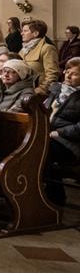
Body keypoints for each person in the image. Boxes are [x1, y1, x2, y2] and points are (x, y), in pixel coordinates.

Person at [46, 57, 80, 204]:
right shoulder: (57, 90)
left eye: (74, 74)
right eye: (67, 71)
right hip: (48, 136)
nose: (68, 75)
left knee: (43, 150)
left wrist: (59, 133)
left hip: (71, 144)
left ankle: (52, 197)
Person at [20, 19, 58, 95]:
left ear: (35, 33)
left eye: (25, 31)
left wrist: (41, 90)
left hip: (37, 92)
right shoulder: (23, 50)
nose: (21, 33)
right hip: (22, 90)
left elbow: (52, 74)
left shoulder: (47, 48)